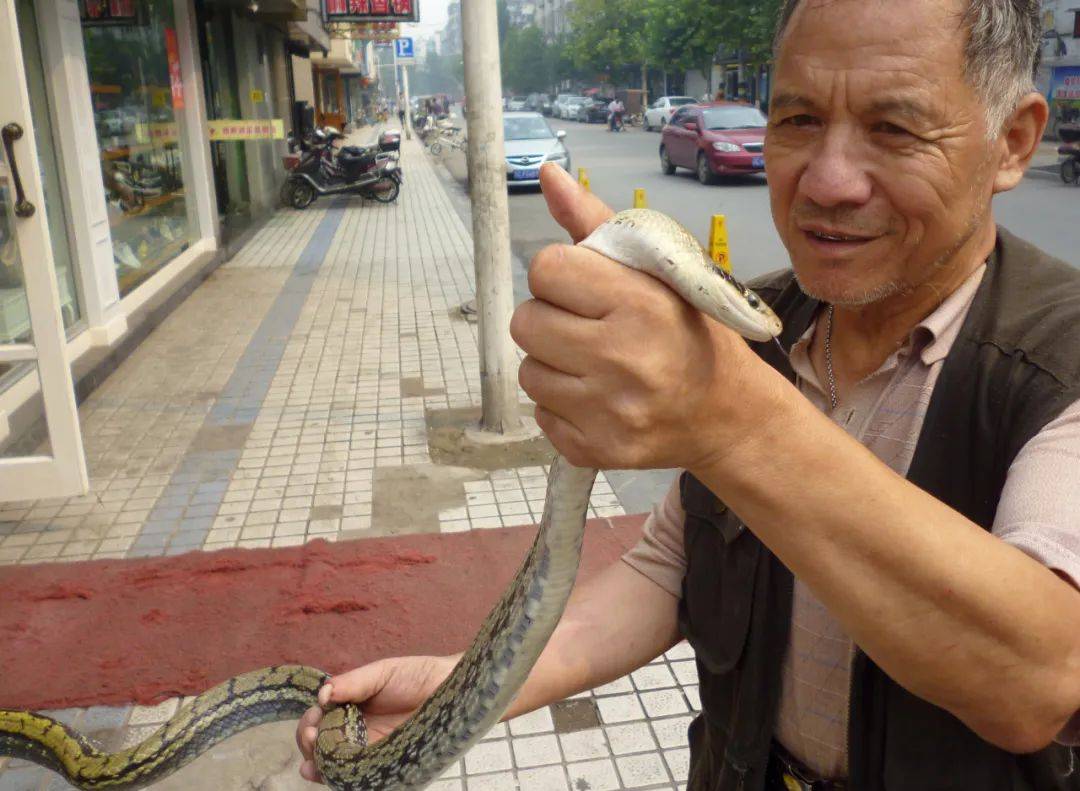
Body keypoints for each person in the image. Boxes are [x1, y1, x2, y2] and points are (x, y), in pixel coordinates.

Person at [297, 1, 1080, 788]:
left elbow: (1037, 676)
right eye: (799, 119)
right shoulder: (751, 331)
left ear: (1012, 142)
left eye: (895, 129)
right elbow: (669, 564)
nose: (829, 181)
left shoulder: (1061, 356)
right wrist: (462, 686)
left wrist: (732, 418)